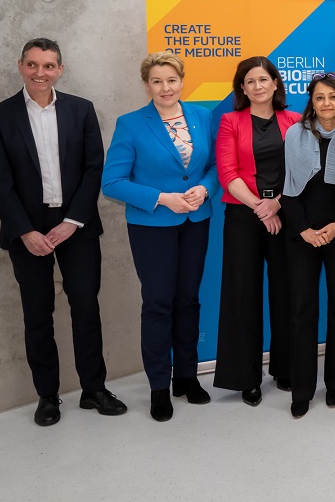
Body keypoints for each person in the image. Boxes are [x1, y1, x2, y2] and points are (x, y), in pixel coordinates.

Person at [0, 38, 127, 426]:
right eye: (33, 65)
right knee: (37, 314)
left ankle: (93, 389)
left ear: (60, 69)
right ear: (20, 66)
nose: (40, 72)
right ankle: (48, 396)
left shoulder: (81, 110)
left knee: (85, 307)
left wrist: (72, 221)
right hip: (26, 231)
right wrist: (26, 231)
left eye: (48, 65)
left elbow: (93, 168)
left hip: (76, 226)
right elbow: (0, 183)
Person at [101, 52, 218, 422]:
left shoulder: (202, 116)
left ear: (182, 81)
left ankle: (186, 377)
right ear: (146, 84)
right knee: (158, 304)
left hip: (196, 222)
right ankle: (158, 386)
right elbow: (112, 183)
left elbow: (216, 166)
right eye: (157, 81)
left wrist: (205, 189)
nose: (165, 88)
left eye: (171, 80)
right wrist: (161, 198)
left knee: (188, 300)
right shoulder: (131, 124)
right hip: (152, 228)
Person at [213, 56, 301, 406]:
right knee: (242, 295)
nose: (257, 86)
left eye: (263, 79)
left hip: (286, 211)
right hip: (243, 215)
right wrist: (260, 208)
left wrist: (276, 204)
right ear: (242, 88)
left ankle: (286, 368)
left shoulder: (295, 121)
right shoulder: (229, 122)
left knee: (287, 291)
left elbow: (302, 169)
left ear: (276, 83)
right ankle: (245, 377)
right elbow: (227, 173)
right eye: (250, 81)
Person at [281, 73, 335, 418]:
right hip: (302, 234)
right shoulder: (294, 135)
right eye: (319, 98)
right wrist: (304, 230)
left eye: (332, 97)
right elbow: (288, 189)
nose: (326, 104)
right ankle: (302, 389)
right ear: (311, 102)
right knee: (302, 310)